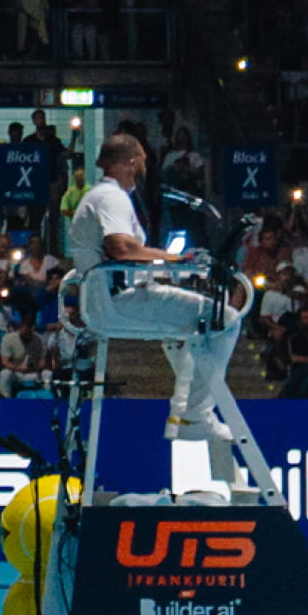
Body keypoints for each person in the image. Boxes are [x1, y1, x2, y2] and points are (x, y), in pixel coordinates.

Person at [68, 131, 252, 501]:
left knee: (190, 328)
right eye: (143, 162)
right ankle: (192, 415)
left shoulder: (106, 196)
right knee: (227, 318)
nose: (145, 169)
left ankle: (186, 411)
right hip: (120, 302)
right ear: (132, 161)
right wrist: (175, 259)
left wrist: (170, 269)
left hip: (114, 297)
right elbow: (120, 248)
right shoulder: (111, 196)